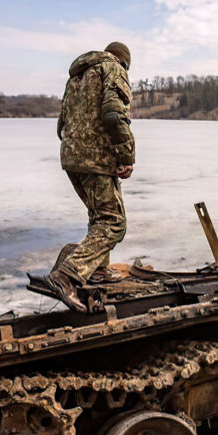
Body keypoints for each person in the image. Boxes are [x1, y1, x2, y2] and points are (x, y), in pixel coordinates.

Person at [45, 42, 135, 311]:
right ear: (124, 61)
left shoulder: (77, 75)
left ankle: (96, 269)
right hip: (95, 156)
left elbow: (61, 123)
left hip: (71, 156)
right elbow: (113, 115)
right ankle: (68, 273)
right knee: (113, 223)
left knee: (99, 216)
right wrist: (126, 156)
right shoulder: (113, 69)